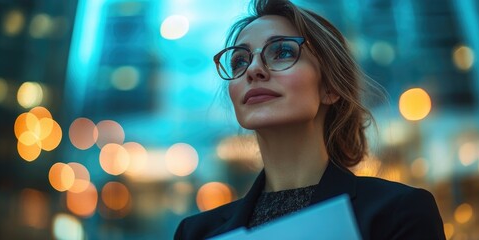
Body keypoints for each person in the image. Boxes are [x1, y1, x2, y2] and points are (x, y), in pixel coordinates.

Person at [175, 0, 446, 239]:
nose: (254, 69)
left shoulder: (399, 212)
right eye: (240, 61)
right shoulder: (196, 233)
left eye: (282, 52)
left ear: (330, 88)